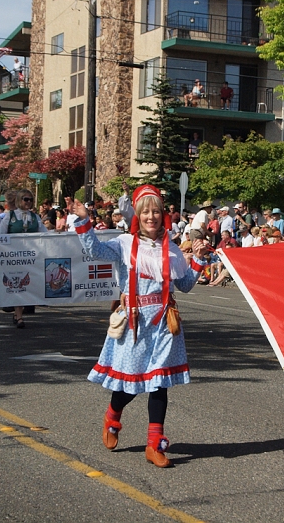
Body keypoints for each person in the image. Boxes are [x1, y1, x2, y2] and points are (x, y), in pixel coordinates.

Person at [71, 184, 209, 468]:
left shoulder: (170, 249)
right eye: (146, 211)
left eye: (156, 211)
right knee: (131, 386)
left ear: (163, 215)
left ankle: (154, 444)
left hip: (164, 324)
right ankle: (113, 414)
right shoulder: (123, 244)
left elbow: (183, 286)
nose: (151, 216)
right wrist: (84, 220)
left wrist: (198, 259)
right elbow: (95, 250)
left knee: (159, 384)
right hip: (135, 322)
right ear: (137, 214)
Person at [0, 189, 49, 328]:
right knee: (17, 284)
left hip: (31, 257)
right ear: (19, 200)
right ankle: (19, 315)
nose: (29, 202)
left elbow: (44, 234)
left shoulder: (34, 217)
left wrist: (57, 234)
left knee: (29, 284)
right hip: (14, 257)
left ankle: (18, 312)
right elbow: (0, 235)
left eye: (30, 199)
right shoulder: (10, 216)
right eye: (26, 199)